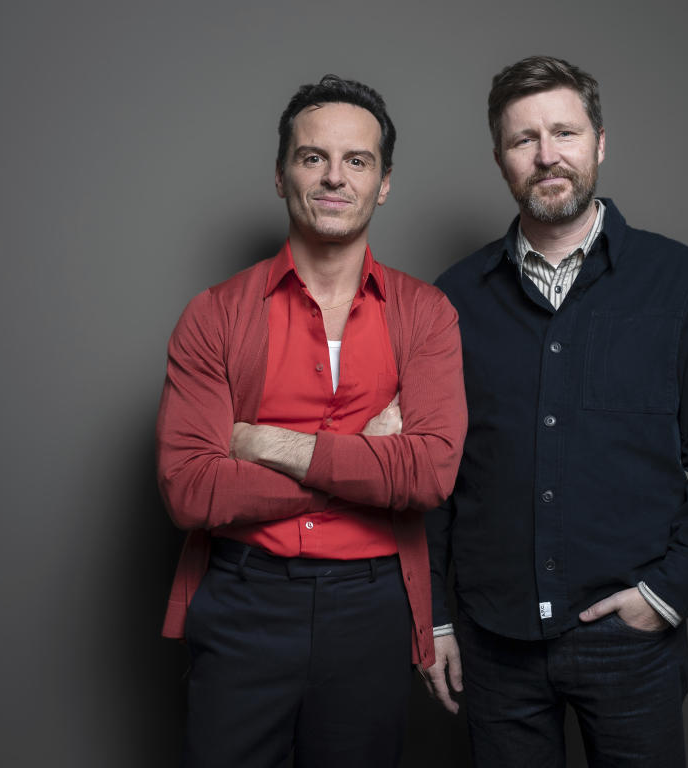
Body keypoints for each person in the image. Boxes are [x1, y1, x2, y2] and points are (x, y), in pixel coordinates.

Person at [423, 56, 688, 767]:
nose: (547, 156)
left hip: (630, 641)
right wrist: (437, 617)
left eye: (565, 133)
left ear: (600, 142)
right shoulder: (451, 299)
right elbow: (432, 471)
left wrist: (666, 593)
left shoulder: (680, 282)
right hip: (494, 644)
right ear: (500, 160)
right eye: (524, 140)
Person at [156, 75, 467, 768]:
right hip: (243, 600)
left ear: (383, 183)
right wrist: (358, 456)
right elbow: (190, 490)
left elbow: (428, 473)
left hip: (373, 609)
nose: (334, 176)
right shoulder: (214, 315)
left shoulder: (425, 316)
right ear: (280, 175)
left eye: (357, 160)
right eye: (311, 157)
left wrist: (265, 443)